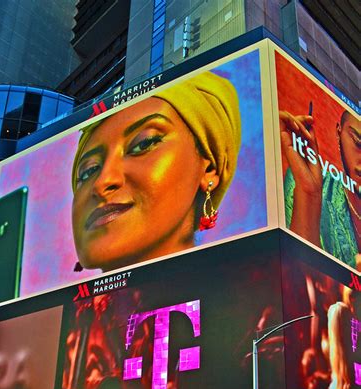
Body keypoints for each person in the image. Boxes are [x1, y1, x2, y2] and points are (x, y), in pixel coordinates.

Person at [71, 71, 241, 273]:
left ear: (210, 169)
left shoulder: (248, 297)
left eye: (144, 143)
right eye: (88, 171)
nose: (102, 182)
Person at [281, 109, 360, 269]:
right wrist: (309, 196)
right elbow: (298, 279)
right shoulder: (308, 182)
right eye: (357, 142)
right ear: (339, 134)